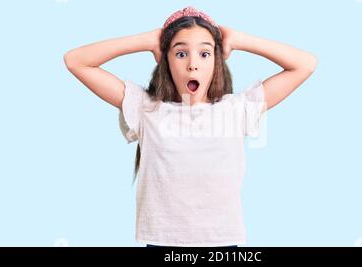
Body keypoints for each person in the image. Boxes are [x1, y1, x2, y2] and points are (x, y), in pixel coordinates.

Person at [64, 6, 317, 247]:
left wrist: (238, 39)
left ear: (217, 61)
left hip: (222, 242)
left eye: (204, 53)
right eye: (181, 53)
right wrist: (149, 41)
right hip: (163, 242)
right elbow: (76, 60)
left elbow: (304, 64)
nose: (192, 64)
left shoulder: (236, 109)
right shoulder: (146, 108)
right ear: (167, 61)